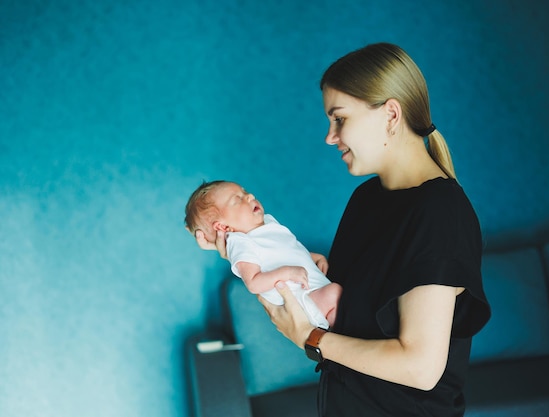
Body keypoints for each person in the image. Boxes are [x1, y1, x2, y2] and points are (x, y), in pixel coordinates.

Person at [195, 42, 491, 417]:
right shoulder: (367, 199)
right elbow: (341, 317)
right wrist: (243, 249)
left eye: (340, 119)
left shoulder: (440, 213)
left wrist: (311, 339)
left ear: (391, 114)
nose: (330, 137)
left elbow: (419, 368)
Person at [185, 180, 342, 329]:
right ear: (223, 227)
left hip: (316, 287)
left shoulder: (268, 222)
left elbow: (289, 250)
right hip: (305, 299)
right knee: (336, 295)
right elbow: (253, 283)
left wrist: (315, 258)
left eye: (245, 191)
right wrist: (287, 272)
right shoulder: (240, 242)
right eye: (237, 199)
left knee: (343, 297)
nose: (250, 195)